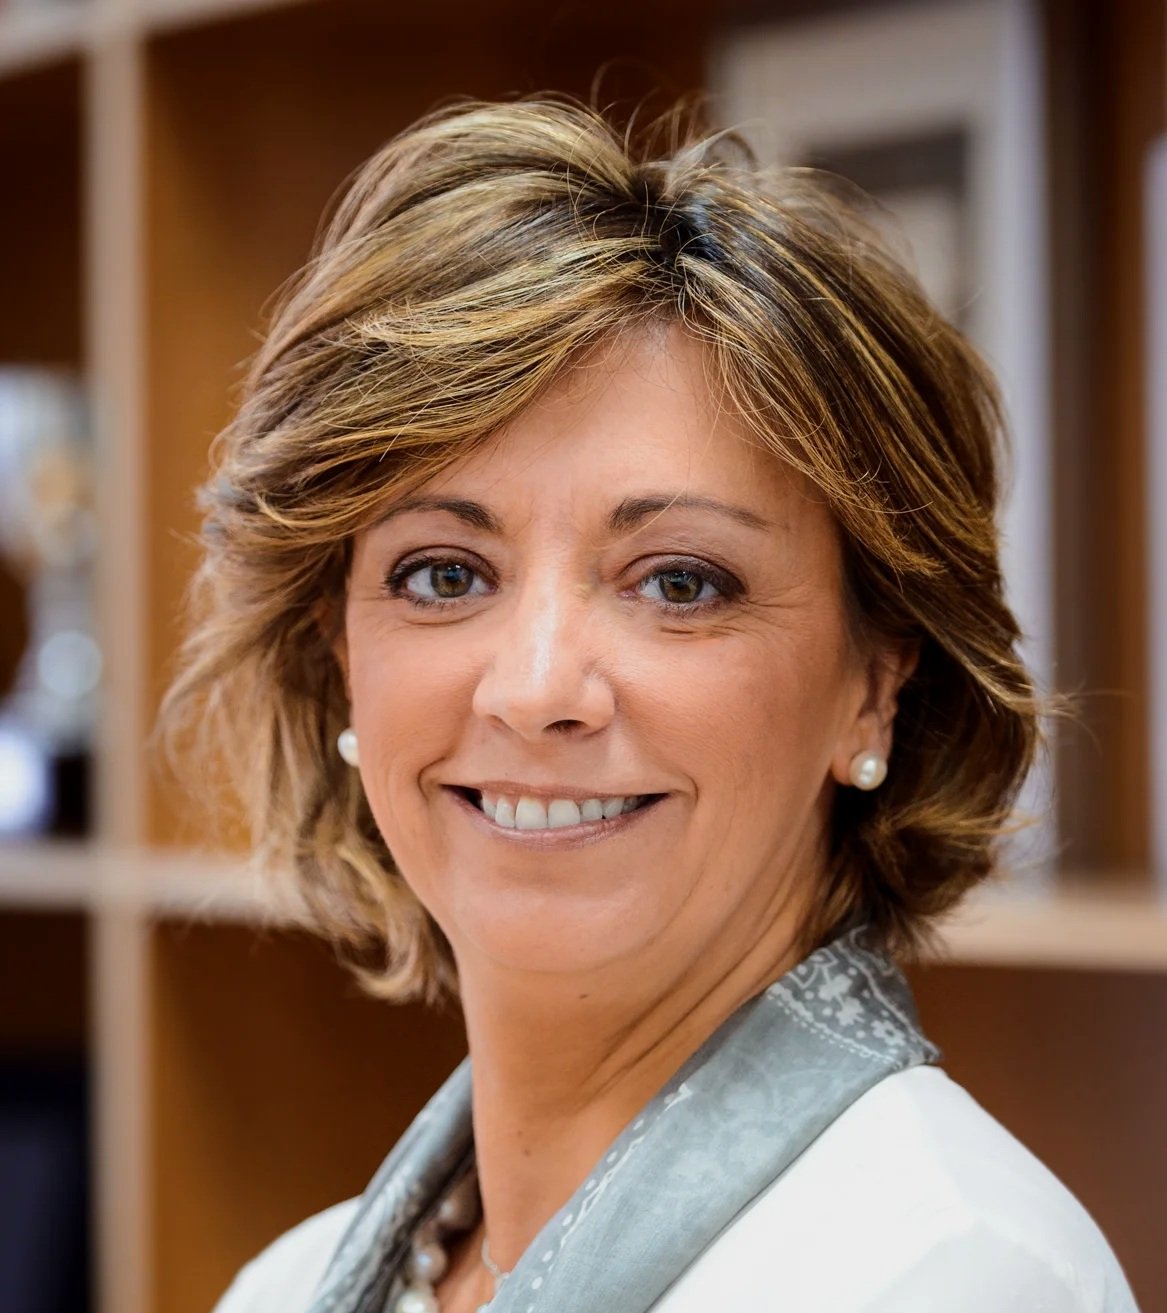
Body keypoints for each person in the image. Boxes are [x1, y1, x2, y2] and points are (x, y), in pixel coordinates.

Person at [160, 95, 1140, 1313]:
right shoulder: (286, 1285)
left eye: (679, 581)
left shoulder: (948, 1269)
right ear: (338, 655)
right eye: (443, 574)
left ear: (878, 683)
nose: (534, 691)